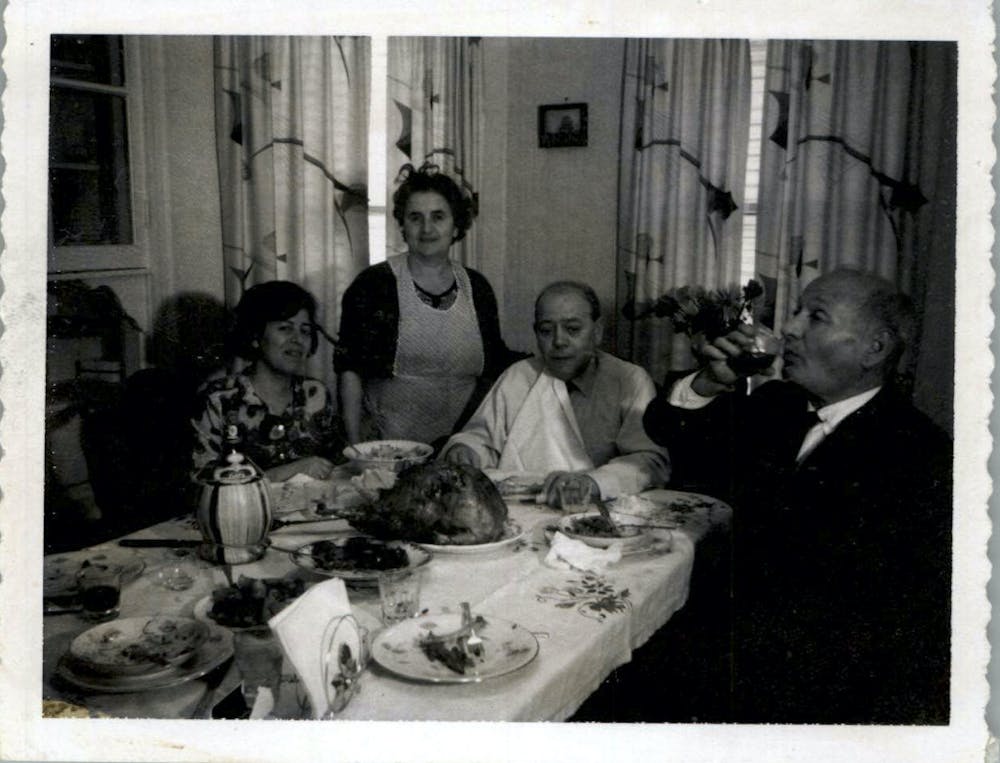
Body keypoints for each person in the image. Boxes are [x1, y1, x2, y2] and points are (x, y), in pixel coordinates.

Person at [642, 268, 952, 724]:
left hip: (814, 694)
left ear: (876, 348)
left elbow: (891, 635)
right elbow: (673, 432)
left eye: (816, 317)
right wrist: (709, 380)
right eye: (796, 312)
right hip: (727, 650)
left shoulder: (920, 455)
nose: (789, 327)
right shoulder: (780, 405)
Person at [334, 164, 521, 448]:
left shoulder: (478, 288)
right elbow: (350, 370)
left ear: (456, 224)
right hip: (389, 449)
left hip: (460, 447)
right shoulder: (375, 284)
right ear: (403, 226)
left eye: (438, 217)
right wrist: (356, 446)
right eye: (415, 218)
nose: (427, 229)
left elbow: (493, 366)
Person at [442, 281, 670, 506]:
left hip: (596, 516)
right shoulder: (519, 376)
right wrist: (465, 450)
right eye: (546, 331)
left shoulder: (629, 380)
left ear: (597, 332)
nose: (559, 341)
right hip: (518, 514)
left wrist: (593, 483)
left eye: (572, 329)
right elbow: (481, 438)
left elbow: (650, 461)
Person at [192, 281, 343, 482]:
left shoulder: (316, 394)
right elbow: (201, 480)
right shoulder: (219, 399)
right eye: (285, 328)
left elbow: (336, 464)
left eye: (305, 331)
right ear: (255, 336)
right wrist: (287, 471)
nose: (298, 339)